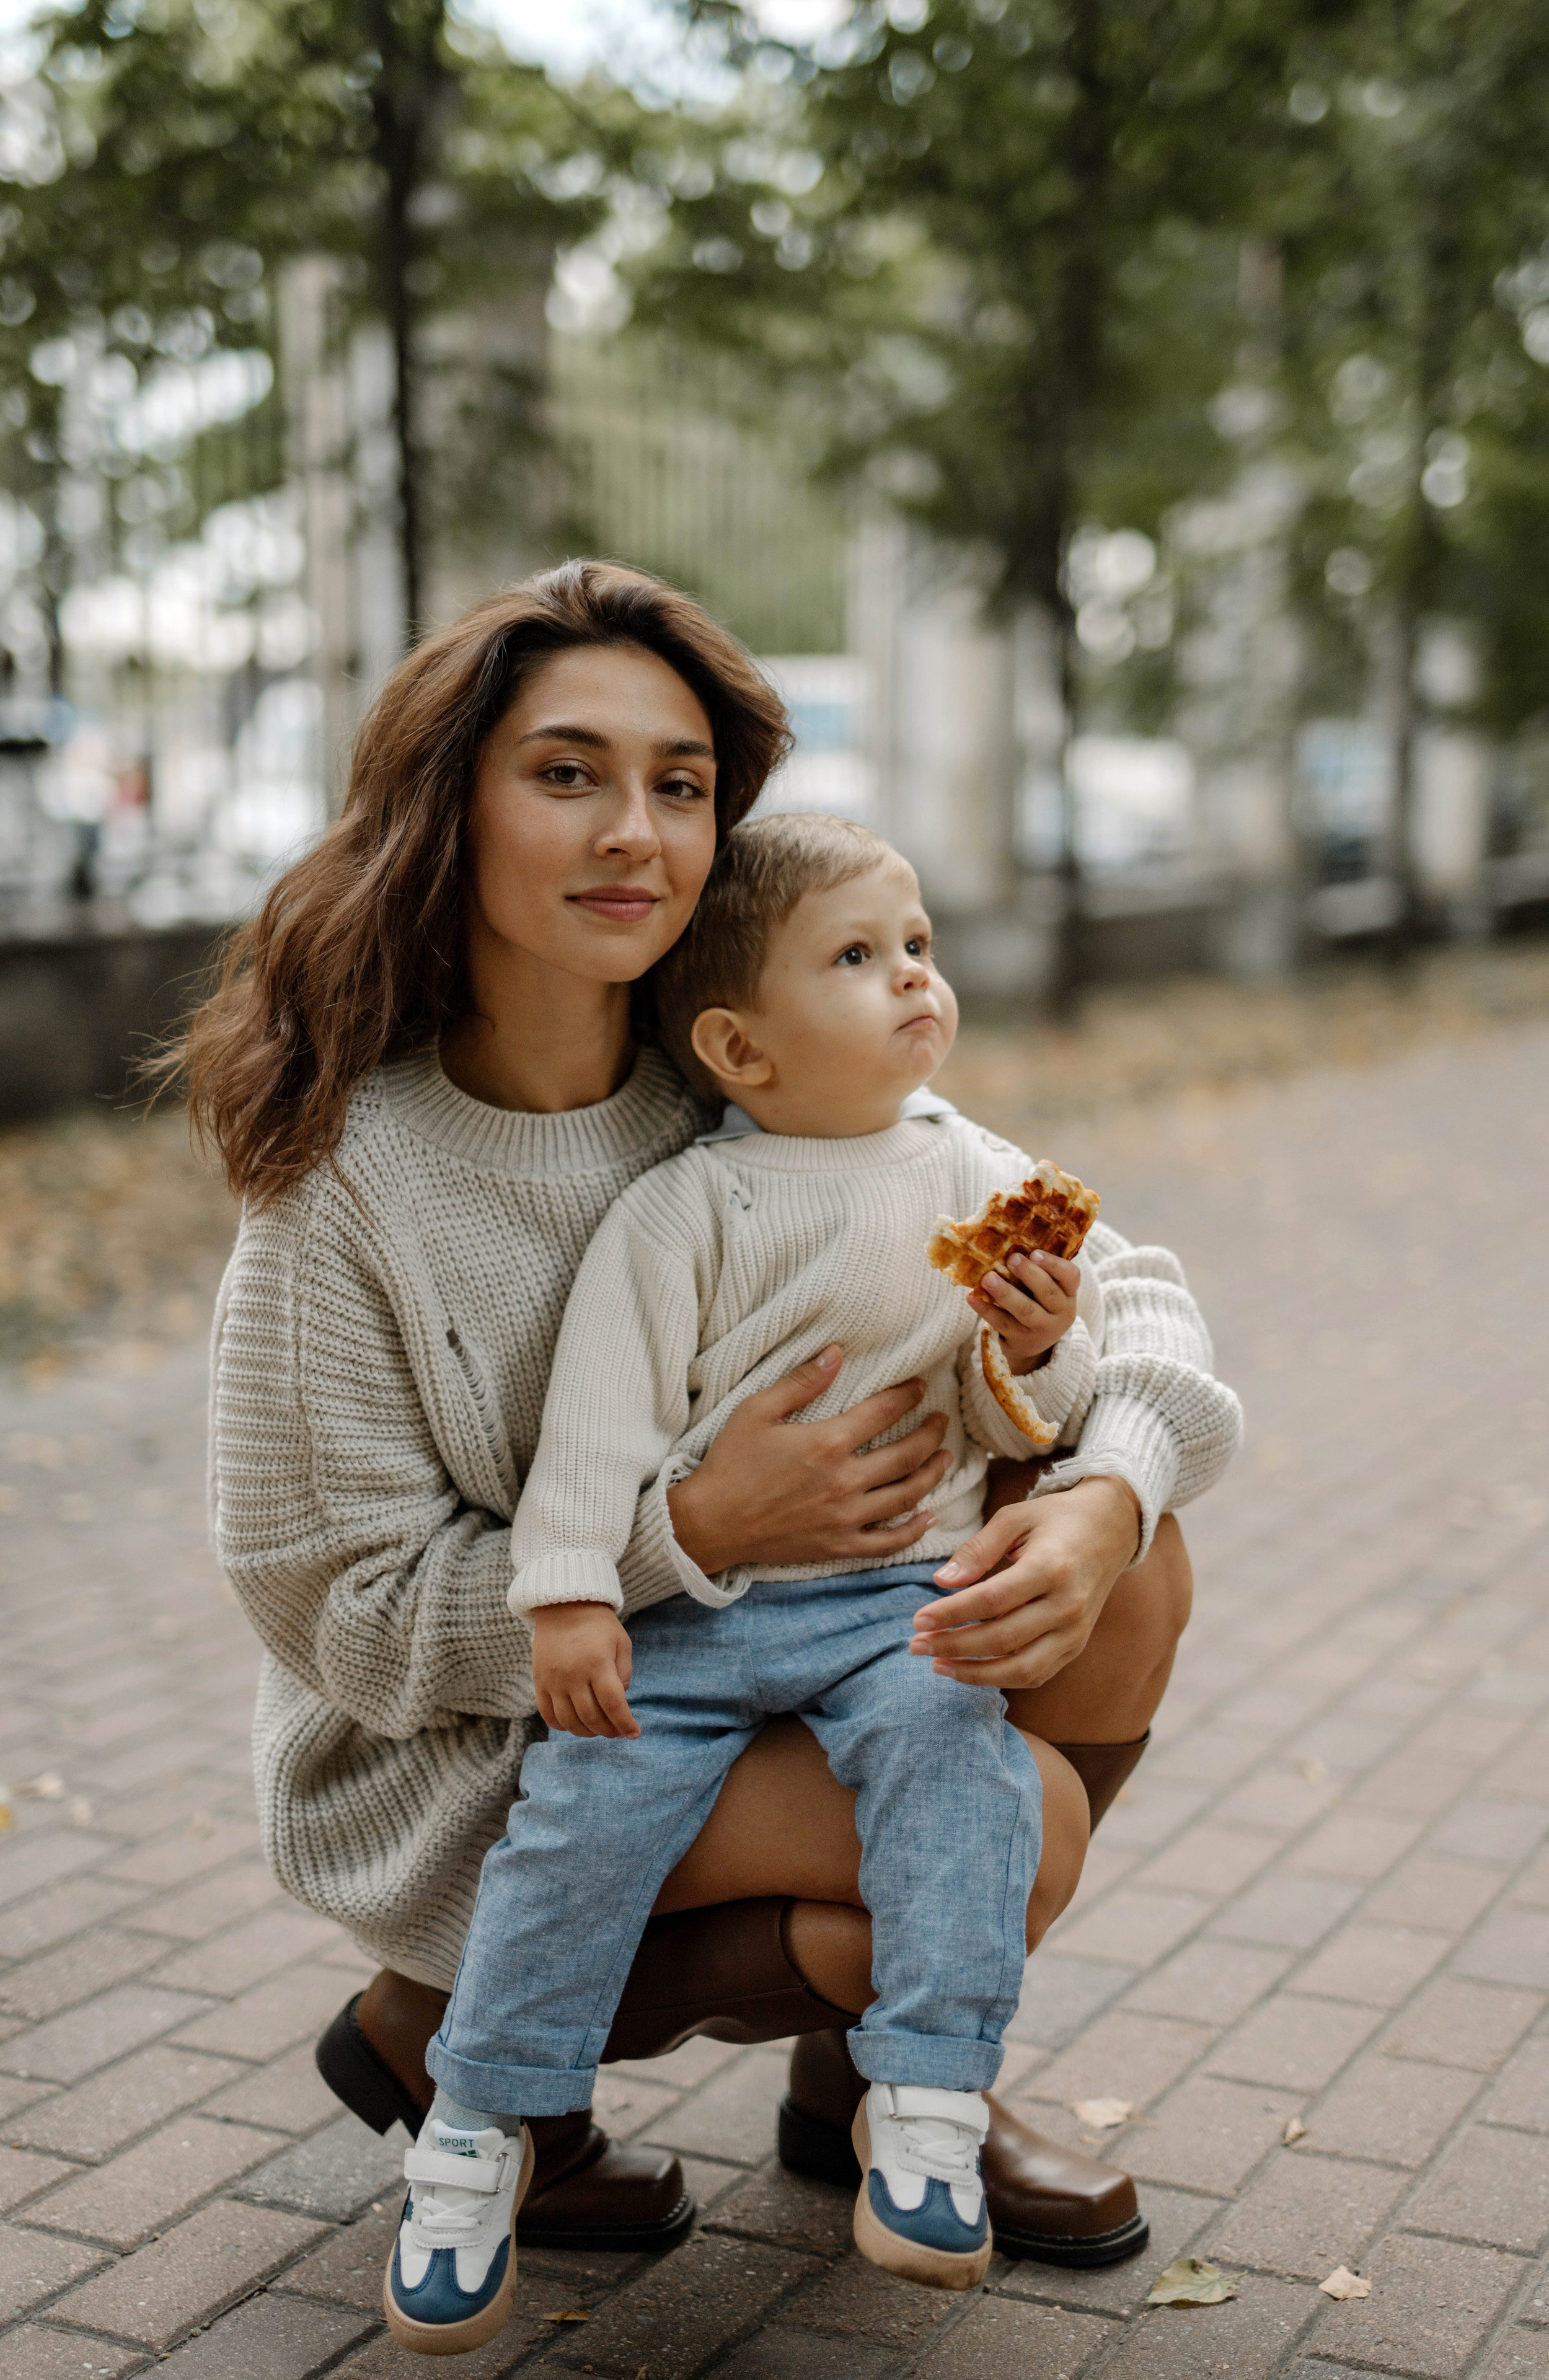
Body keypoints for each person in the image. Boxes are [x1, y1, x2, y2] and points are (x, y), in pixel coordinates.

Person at [191, 558, 1222, 2277]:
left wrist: (1107, 1488)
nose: (637, 832)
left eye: (680, 786)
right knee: (1010, 1825)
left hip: (820, 1636)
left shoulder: (744, 1059)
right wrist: (689, 1532)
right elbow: (338, 1611)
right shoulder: (346, 1186)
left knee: (1142, 1570)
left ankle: (874, 2094)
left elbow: (1128, 1285)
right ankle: (443, 2029)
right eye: (567, 772)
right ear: (450, 804)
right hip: (495, 1730)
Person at [382, 813, 1236, 2351]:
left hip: (887, 1603)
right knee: (580, 1821)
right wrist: (570, 1594)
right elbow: (598, 1422)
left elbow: (999, 1411)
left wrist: (1039, 1349)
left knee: (958, 1772)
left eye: (915, 945)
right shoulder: (683, 1211)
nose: (912, 977)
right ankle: (475, 2120)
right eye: (856, 958)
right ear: (740, 1045)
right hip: (690, 1618)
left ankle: (919, 2098)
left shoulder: (980, 1175)